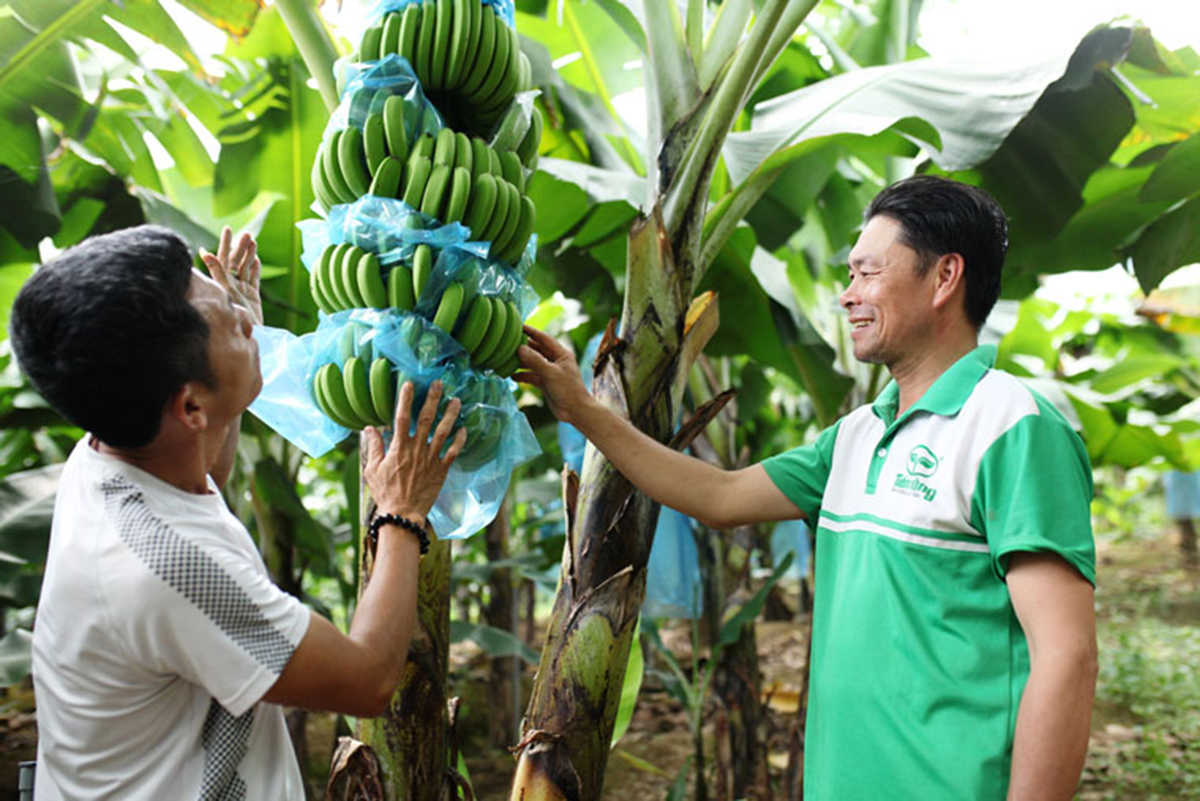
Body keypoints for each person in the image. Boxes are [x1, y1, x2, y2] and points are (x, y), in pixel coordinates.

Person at [516, 175, 1098, 800]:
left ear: (945, 277)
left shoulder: (1012, 428)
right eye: (849, 277)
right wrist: (581, 409)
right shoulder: (854, 437)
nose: (848, 297)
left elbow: (1066, 658)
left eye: (867, 274)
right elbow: (719, 497)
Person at [10, 225, 465, 799]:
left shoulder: (108, 452)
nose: (251, 321)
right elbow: (368, 679)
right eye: (231, 323)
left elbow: (204, 474)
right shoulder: (171, 569)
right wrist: (400, 512)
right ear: (190, 404)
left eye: (229, 301)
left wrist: (234, 325)